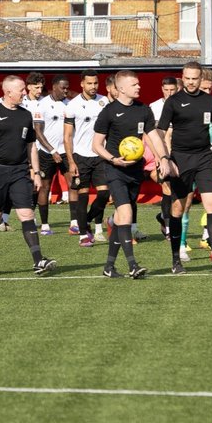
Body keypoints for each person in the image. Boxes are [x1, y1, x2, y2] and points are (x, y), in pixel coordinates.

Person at [0, 75, 57, 277]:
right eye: (21, 91)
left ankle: (38, 261)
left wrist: (36, 172)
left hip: (19, 171)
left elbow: (31, 147)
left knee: (27, 214)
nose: (24, 93)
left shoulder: (26, 115)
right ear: (8, 92)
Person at [156, 61, 212, 274]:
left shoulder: (211, 103)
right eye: (188, 78)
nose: (191, 82)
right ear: (183, 77)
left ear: (201, 78)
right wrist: (165, 158)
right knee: (178, 208)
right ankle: (176, 260)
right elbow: (160, 132)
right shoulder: (173, 102)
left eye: (195, 78)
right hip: (180, 160)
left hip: (205, 159)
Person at [91, 70, 170, 279]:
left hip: (136, 171)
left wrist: (163, 159)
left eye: (138, 84)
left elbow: (153, 137)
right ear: (121, 88)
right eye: (134, 84)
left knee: (120, 219)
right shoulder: (108, 112)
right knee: (125, 215)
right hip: (115, 170)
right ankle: (133, 265)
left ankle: (109, 267)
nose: (139, 87)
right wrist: (112, 159)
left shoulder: (143, 110)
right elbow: (96, 145)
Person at [64, 70, 110, 247]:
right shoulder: (72, 106)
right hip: (81, 157)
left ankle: (86, 221)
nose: (93, 87)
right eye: (89, 83)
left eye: (95, 83)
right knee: (82, 196)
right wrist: (71, 162)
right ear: (82, 84)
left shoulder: (104, 101)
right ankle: (83, 235)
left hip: (100, 155)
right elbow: (67, 136)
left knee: (104, 194)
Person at [33, 72, 73, 236]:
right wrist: (52, 150)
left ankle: (75, 222)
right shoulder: (41, 105)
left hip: (65, 152)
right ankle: (45, 225)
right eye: (63, 88)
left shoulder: (69, 105)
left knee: (74, 184)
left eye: (67, 88)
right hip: (46, 152)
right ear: (54, 87)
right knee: (44, 187)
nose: (66, 91)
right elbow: (38, 131)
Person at [150, 77, 179, 238]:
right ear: (162, 89)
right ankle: (168, 226)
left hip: (180, 153)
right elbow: (153, 135)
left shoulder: (182, 104)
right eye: (166, 90)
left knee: (177, 191)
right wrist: (157, 155)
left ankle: (163, 217)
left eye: (172, 90)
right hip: (162, 155)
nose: (169, 93)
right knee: (166, 188)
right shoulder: (154, 107)